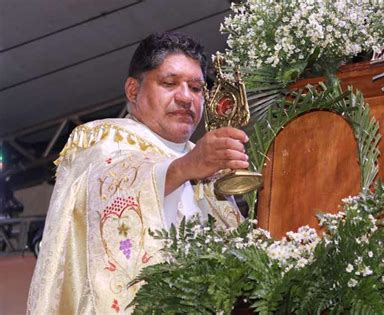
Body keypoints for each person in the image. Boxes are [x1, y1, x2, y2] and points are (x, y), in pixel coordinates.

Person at [27, 32, 248, 314]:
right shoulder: (103, 137)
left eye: (195, 88)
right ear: (133, 91)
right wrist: (185, 167)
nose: (185, 98)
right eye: (169, 83)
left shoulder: (207, 160)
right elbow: (109, 188)